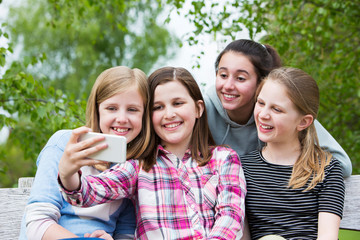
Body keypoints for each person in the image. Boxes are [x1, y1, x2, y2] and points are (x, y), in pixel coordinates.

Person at [57, 67, 247, 239]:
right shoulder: (139, 166)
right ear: (149, 116)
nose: (169, 114)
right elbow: (89, 192)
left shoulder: (224, 159)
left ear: (198, 108)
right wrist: (68, 174)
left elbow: (230, 218)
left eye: (178, 103)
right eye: (158, 107)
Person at [19, 66, 151, 240]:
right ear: (97, 110)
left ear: (144, 115)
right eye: (111, 108)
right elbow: (37, 224)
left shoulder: (131, 168)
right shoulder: (65, 145)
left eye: (132, 109)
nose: (121, 118)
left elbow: (125, 231)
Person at [204, 39, 352, 177]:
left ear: (261, 83)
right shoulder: (202, 111)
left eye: (240, 78)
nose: (228, 86)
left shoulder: (281, 114)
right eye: (223, 75)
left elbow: (342, 164)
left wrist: (282, 174)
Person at [240, 67, 345, 239]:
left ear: (303, 122)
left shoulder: (326, 169)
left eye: (276, 109)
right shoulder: (242, 168)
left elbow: (328, 236)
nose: (263, 114)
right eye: (260, 103)